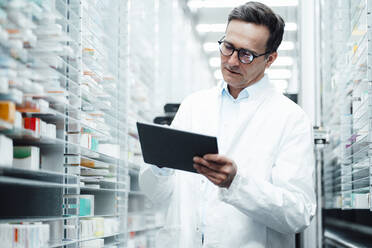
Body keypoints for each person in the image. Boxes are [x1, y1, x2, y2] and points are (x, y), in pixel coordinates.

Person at [139, 1, 316, 247]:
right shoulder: (194, 105)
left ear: (270, 59)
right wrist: (160, 163)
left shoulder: (290, 119)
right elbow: (159, 195)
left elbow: (299, 214)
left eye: (246, 54)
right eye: (228, 47)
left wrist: (237, 184)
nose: (232, 61)